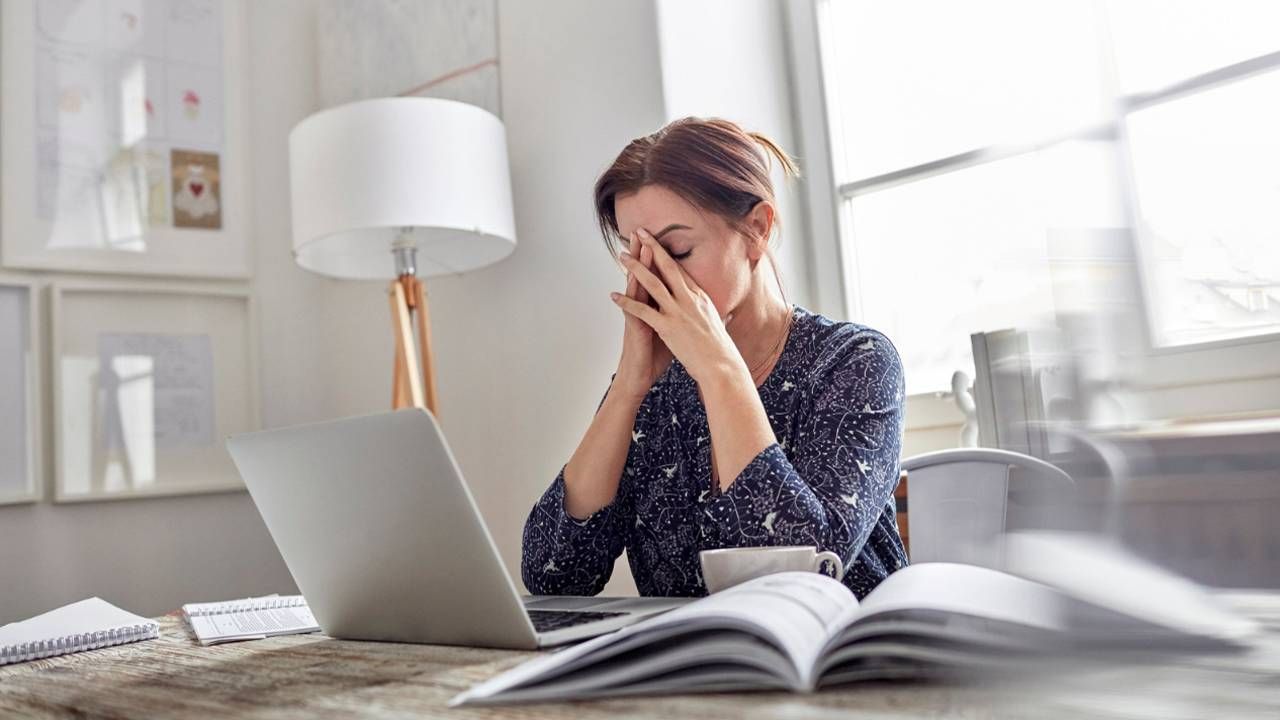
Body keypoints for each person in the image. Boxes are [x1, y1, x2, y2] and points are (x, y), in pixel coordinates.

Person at [522, 117, 907, 600]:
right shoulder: (653, 389)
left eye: (676, 251)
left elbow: (799, 571)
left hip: (839, 663)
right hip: (692, 668)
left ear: (757, 228)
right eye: (636, 256)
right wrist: (627, 388)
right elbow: (553, 575)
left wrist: (720, 371)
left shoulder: (855, 362)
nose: (655, 279)